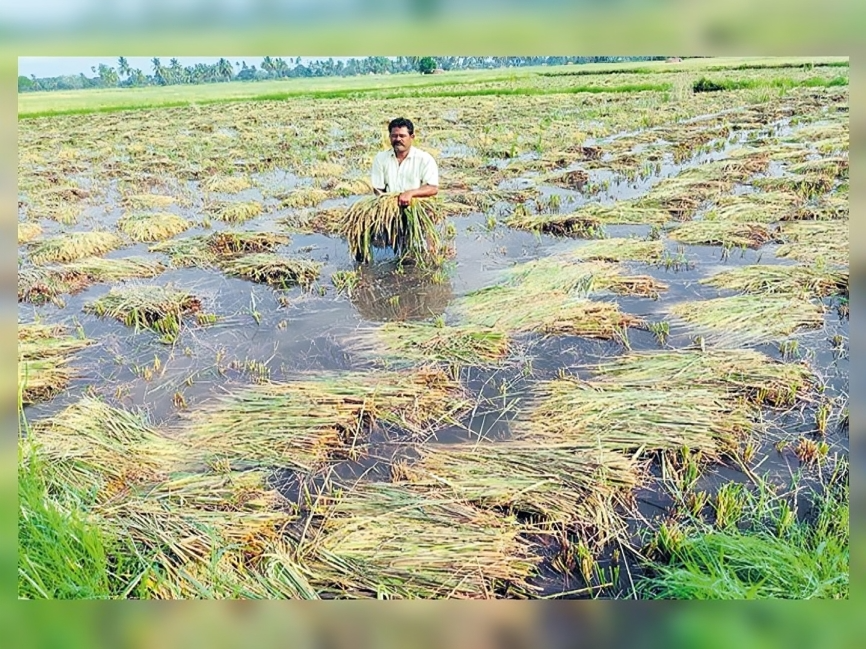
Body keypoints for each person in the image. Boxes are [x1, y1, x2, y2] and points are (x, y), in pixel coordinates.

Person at [371, 117, 439, 206]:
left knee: (429, 213)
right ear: (390, 137)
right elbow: (378, 188)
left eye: (402, 136)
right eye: (394, 136)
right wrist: (388, 203)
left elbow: (432, 188)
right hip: (390, 205)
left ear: (412, 137)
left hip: (416, 205)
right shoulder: (380, 158)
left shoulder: (424, 159)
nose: (398, 139)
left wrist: (410, 193)